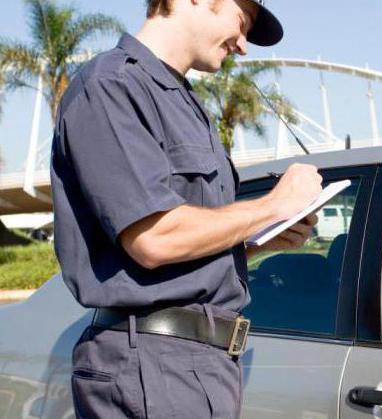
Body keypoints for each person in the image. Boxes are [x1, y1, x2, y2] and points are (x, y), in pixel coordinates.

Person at [51, 1, 322, 417]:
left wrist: (252, 242)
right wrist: (273, 204)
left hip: (194, 365)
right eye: (242, 22)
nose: (244, 45)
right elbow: (154, 239)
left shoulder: (183, 102)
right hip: (153, 363)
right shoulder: (112, 86)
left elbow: (178, 246)